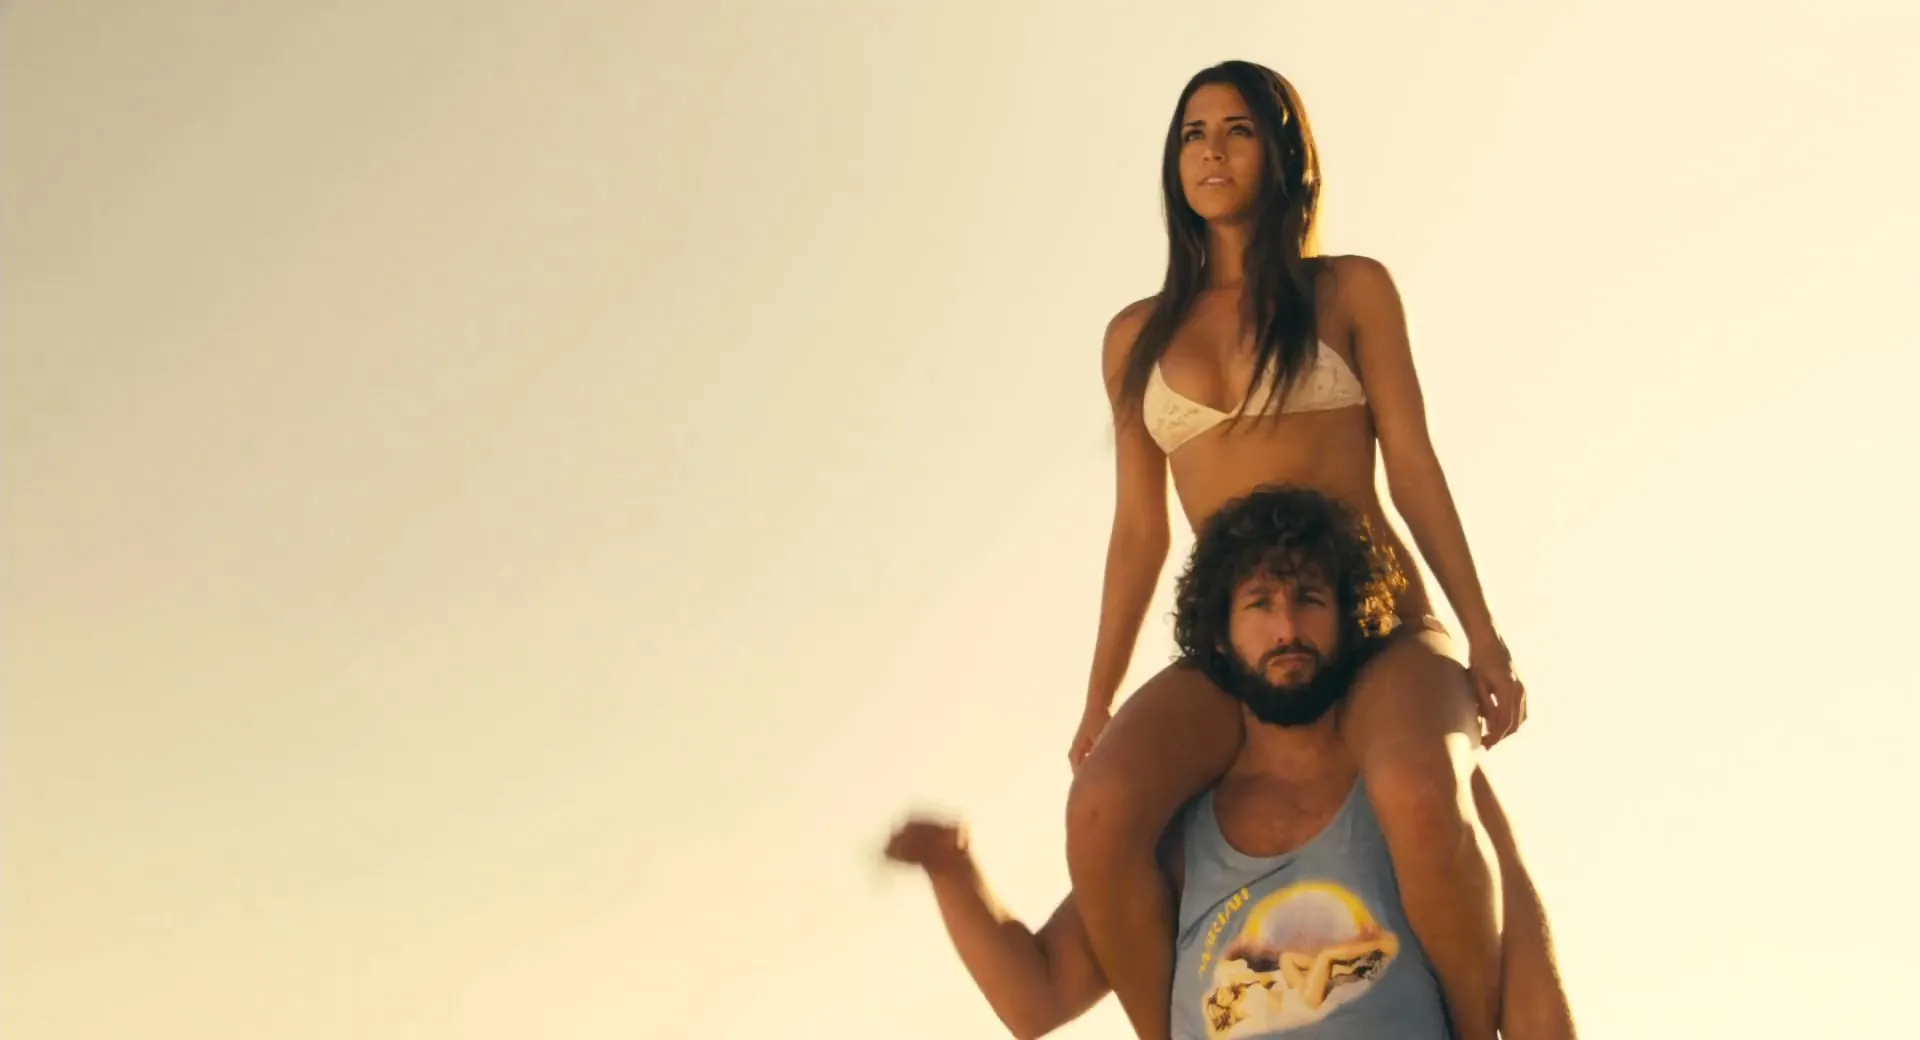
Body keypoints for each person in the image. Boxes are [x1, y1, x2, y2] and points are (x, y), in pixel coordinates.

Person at [1064, 61, 1539, 1040]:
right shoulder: (1134, 338)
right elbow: (1139, 531)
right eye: (1193, 134)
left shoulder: (1350, 290)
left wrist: (1483, 633)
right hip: (1238, 647)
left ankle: (1467, 1026)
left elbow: (1414, 467)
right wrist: (1098, 696)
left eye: (1238, 130)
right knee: (1101, 806)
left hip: (1378, 624)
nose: (1212, 152)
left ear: (1283, 154)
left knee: (1419, 787)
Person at [887, 487, 1571, 1038]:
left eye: (1310, 600)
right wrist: (953, 870)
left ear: (1350, 619)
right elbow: (1036, 1000)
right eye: (1260, 605)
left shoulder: (1418, 796)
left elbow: (1535, 1010)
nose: (1287, 628)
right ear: (1220, 635)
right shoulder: (1183, 837)